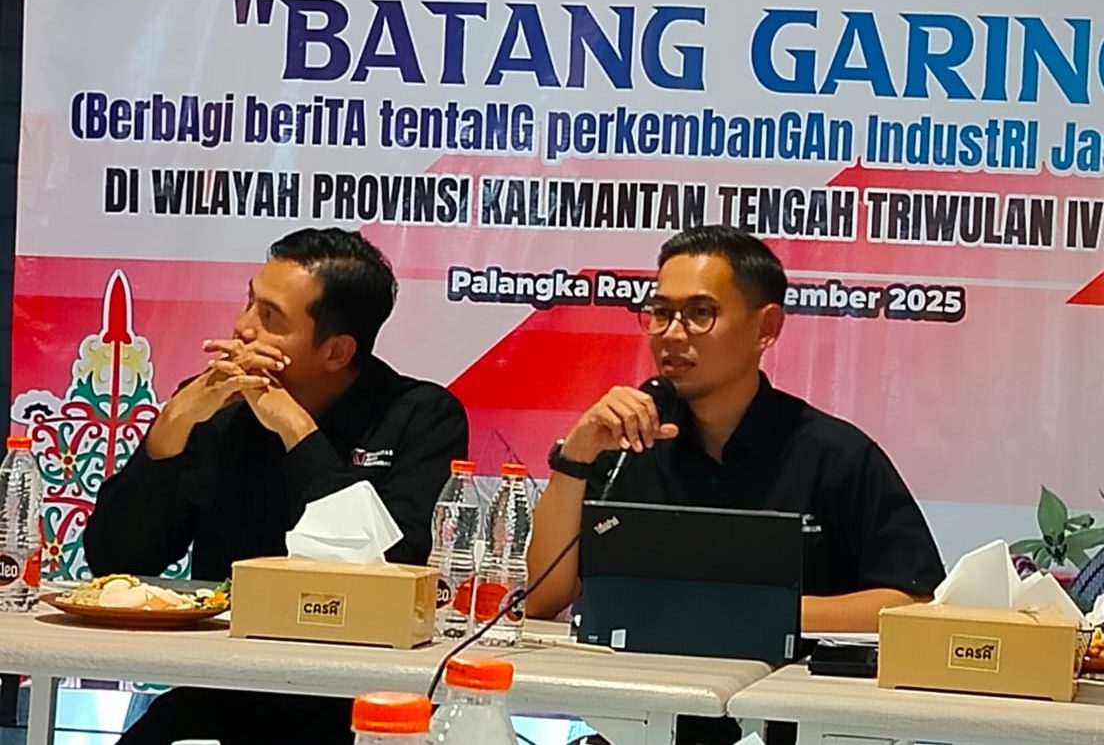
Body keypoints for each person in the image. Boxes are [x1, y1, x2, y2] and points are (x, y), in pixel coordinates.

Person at [83, 228, 468, 745]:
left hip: (363, 703)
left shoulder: (423, 416)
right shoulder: (214, 409)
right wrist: (170, 428)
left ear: (336, 351)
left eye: (270, 318)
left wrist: (296, 430)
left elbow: (394, 569)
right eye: (249, 302)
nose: (242, 328)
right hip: (226, 691)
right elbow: (115, 559)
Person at [526, 225, 945, 632]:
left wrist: (752, 612)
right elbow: (539, 600)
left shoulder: (835, 456)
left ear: (766, 328)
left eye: (700, 313)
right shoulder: (626, 446)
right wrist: (574, 458)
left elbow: (915, 601)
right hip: (634, 676)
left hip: (782, 679)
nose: (672, 334)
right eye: (661, 312)